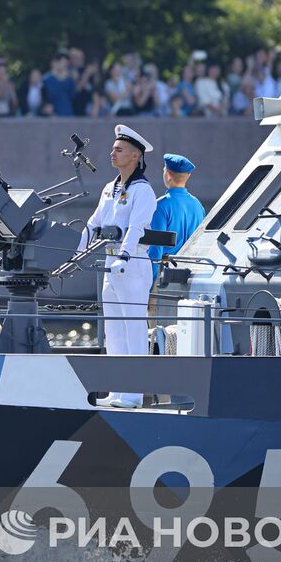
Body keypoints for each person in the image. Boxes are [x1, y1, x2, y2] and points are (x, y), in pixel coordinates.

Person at [80, 124, 157, 408]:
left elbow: (137, 226)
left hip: (132, 263)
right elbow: (94, 223)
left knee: (133, 328)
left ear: (135, 155)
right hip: (111, 262)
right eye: (113, 148)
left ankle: (134, 394)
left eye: (119, 149)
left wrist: (124, 255)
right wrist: (76, 253)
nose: (112, 153)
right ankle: (117, 390)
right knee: (113, 328)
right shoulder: (110, 189)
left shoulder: (142, 191)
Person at [147, 154, 207, 283]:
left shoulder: (160, 206)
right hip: (191, 274)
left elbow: (156, 249)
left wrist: (149, 284)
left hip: (166, 275)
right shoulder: (198, 205)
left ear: (168, 175)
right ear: (188, 176)